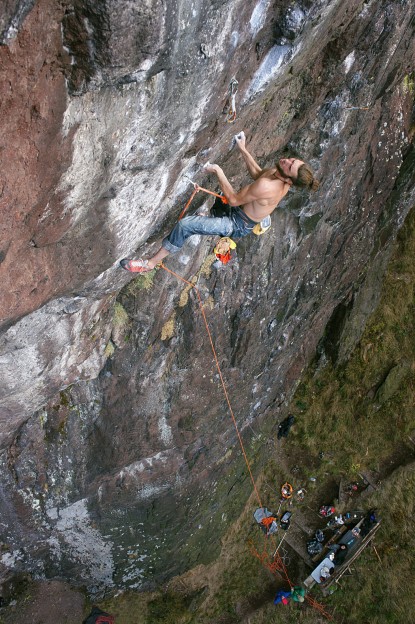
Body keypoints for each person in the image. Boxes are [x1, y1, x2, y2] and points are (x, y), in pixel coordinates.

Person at [120, 132, 320, 273]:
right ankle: (209, 219)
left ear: (288, 181)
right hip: (239, 212)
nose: (287, 161)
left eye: (290, 166)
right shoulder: (278, 174)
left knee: (185, 225)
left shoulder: (270, 187)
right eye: (293, 160)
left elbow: (233, 200)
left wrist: (218, 170)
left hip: (237, 223)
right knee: (219, 195)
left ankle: (149, 264)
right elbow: (259, 173)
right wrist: (243, 149)